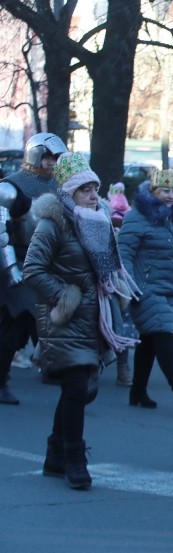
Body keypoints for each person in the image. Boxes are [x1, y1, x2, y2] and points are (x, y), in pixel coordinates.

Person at [24, 152, 139, 489]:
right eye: (85, 189)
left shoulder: (100, 218)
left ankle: (54, 454)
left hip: (95, 316)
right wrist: (64, 295)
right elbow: (33, 269)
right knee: (75, 387)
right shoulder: (53, 222)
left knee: (82, 390)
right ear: (68, 192)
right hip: (65, 315)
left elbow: (108, 268)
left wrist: (115, 290)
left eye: (95, 188)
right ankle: (74, 458)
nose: (93, 195)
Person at [117, 169, 173, 413]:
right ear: (152, 192)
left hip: (170, 288)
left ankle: (137, 391)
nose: (171, 195)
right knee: (163, 333)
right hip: (144, 288)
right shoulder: (136, 218)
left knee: (150, 340)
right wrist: (130, 287)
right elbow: (124, 255)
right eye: (165, 190)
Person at [0, 132, 68, 405]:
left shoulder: (60, 188)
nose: (52, 163)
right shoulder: (10, 188)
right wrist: (11, 269)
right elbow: (2, 234)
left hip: (48, 265)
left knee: (46, 321)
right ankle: (1, 381)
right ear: (36, 155)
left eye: (56, 158)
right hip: (17, 263)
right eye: (49, 157)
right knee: (15, 324)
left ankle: (52, 367)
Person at [107, 182, 134, 386]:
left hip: (118, 274)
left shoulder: (128, 218)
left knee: (121, 319)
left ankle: (123, 366)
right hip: (97, 275)